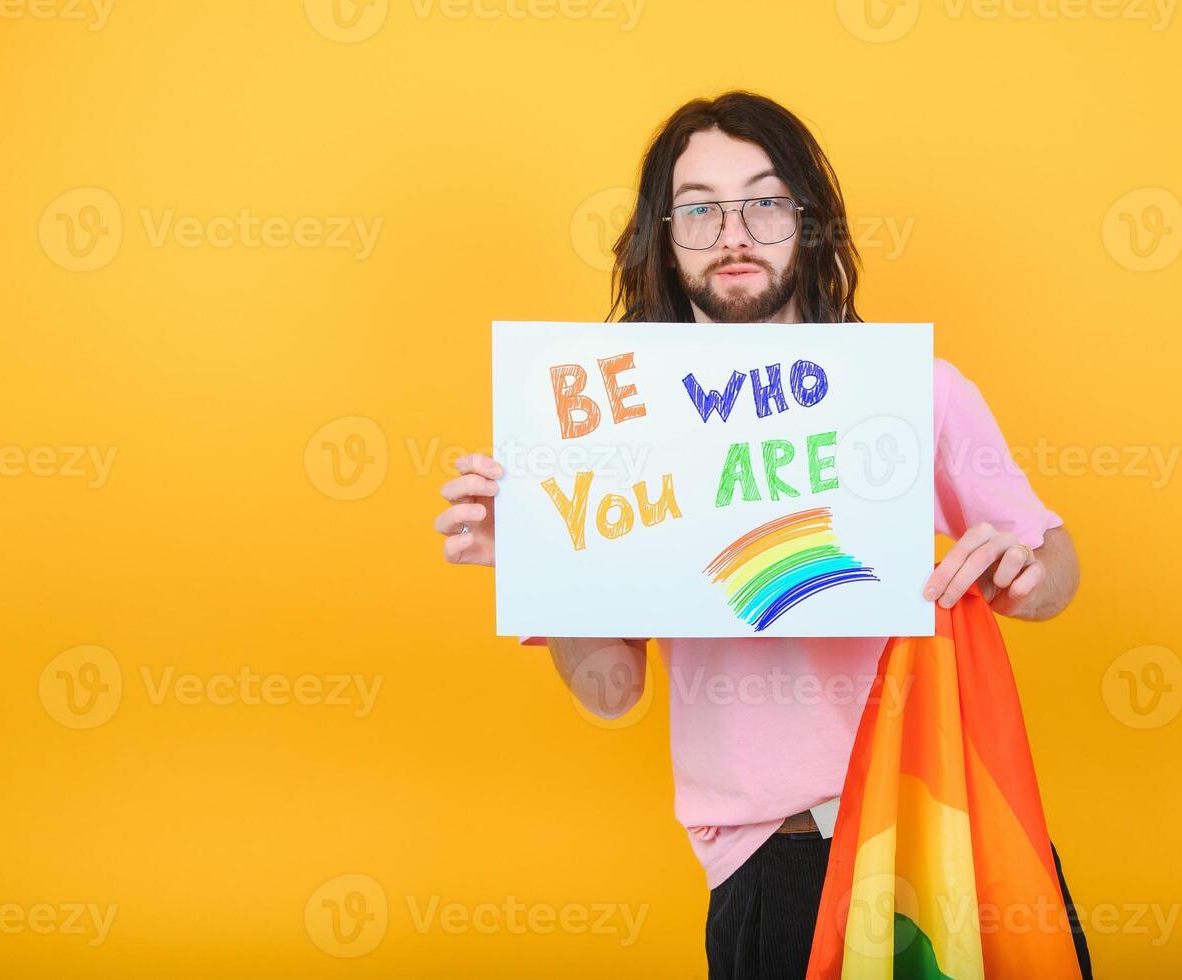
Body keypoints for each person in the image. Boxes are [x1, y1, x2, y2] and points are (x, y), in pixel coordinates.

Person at [435, 91, 1092, 980]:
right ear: (663, 237)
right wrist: (543, 563)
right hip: (776, 865)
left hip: (946, 827)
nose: (732, 231)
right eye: (699, 208)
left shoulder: (914, 388)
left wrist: (1020, 571)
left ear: (807, 224)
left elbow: (1053, 569)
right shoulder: (608, 428)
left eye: (764, 201)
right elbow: (609, 690)